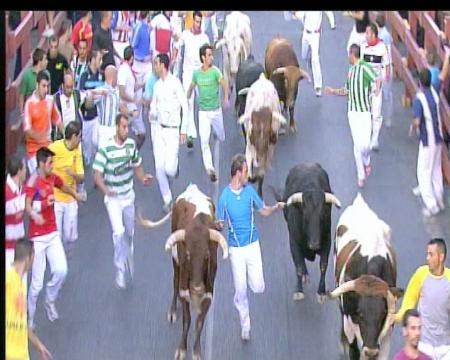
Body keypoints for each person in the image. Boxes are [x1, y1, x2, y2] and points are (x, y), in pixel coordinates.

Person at [216, 154, 284, 341]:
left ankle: (241, 297)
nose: (248, 175)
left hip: (253, 246)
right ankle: (245, 325)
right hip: (236, 250)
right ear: (238, 173)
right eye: (246, 171)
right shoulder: (224, 198)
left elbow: (263, 211)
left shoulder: (249, 192)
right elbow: (219, 224)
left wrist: (276, 208)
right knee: (241, 290)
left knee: (259, 287)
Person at [25, 147, 84, 328]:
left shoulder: (51, 177)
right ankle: (30, 320)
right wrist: (40, 208)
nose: (53, 166)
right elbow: (27, 205)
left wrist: (75, 194)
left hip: (51, 233)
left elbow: (63, 185)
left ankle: (50, 300)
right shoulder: (32, 182)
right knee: (36, 285)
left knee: (61, 270)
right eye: (50, 163)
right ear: (41, 164)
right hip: (37, 238)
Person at [93, 114, 153, 289]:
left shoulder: (131, 145)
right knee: (118, 234)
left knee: (128, 233)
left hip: (128, 196)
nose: (127, 130)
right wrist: (106, 191)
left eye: (128, 127)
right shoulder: (106, 148)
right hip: (113, 199)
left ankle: (129, 253)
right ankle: (119, 270)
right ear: (117, 127)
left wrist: (143, 179)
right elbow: (97, 176)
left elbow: (137, 167)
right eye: (124, 127)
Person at [325, 44, 379, 188]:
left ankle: (366, 160)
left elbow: (377, 79)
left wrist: (377, 91)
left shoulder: (364, 67)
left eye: (348, 54)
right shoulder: (350, 71)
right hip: (353, 112)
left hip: (365, 111)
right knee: (357, 144)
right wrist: (334, 91)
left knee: (365, 144)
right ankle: (360, 175)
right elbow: (347, 90)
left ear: (352, 55)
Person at [395, 238, 450, 359]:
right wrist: (393, 318)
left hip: (446, 348)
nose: (427, 258)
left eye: (431, 254)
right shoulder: (421, 274)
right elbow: (408, 304)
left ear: (441, 257)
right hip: (424, 346)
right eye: (427, 254)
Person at [149, 53, 187, 212]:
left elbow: (185, 106)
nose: (155, 67)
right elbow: (153, 106)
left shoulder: (175, 84)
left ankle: (175, 168)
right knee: (159, 167)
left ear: (163, 65)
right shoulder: (157, 86)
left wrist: (183, 130)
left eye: (156, 64)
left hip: (172, 130)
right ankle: (168, 199)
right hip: (159, 129)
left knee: (169, 168)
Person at [187, 44, 229, 182]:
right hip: (203, 113)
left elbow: (224, 84)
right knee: (204, 141)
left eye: (212, 55)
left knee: (221, 136)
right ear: (203, 58)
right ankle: (210, 168)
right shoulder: (196, 74)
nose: (212, 57)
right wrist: (185, 99)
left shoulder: (215, 72)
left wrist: (226, 98)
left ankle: (218, 135)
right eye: (209, 55)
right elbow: (191, 88)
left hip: (216, 112)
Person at [6, 238, 53, 360]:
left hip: (22, 354)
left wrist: (37, 344)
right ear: (28, 258)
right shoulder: (8, 279)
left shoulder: (20, 285)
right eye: (33, 256)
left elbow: (21, 323)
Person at [410, 68, 445, 217]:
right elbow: (442, 76)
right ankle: (439, 198)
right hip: (439, 138)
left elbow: (417, 121)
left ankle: (431, 205)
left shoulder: (420, 98)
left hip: (427, 141)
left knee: (423, 172)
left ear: (419, 81)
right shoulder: (435, 91)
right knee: (436, 170)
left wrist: (412, 127)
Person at [173, 11, 209, 148]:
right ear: (192, 21)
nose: (198, 24)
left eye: (200, 22)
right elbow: (177, 45)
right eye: (196, 21)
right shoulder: (186, 35)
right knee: (188, 102)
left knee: (203, 102)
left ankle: (204, 131)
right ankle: (190, 133)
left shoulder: (204, 38)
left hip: (200, 73)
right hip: (187, 73)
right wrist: (173, 58)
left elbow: (208, 56)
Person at [48, 122, 84, 260]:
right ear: (73, 136)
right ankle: (59, 260)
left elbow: (81, 178)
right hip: (56, 198)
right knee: (56, 234)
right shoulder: (54, 147)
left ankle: (65, 254)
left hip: (70, 198)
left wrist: (73, 174)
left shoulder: (77, 152)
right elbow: (44, 165)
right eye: (79, 137)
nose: (80, 140)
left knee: (71, 237)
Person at [23, 70, 64, 175]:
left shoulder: (50, 100)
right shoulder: (29, 104)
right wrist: (41, 138)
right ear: (37, 85)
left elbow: (58, 120)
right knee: (38, 181)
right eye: (43, 86)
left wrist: (66, 138)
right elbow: (27, 131)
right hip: (33, 151)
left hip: (48, 147)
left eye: (48, 86)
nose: (46, 90)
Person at [361, 22, 390, 151]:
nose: (365, 35)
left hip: (377, 84)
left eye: (367, 33)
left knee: (376, 112)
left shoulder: (382, 48)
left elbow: (387, 65)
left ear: (373, 34)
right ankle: (367, 136)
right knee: (365, 111)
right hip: (365, 83)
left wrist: (384, 80)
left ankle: (375, 139)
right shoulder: (363, 47)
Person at [117, 46, 146, 149]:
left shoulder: (128, 70)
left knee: (142, 133)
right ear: (132, 57)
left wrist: (141, 85)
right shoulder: (123, 70)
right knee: (124, 134)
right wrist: (133, 99)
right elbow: (122, 92)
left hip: (132, 106)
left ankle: (133, 152)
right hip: (126, 107)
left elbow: (131, 88)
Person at [79, 49, 104, 166]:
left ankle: (97, 175)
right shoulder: (84, 76)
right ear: (93, 59)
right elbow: (83, 97)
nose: (101, 61)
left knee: (97, 144)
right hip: (86, 119)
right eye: (99, 59)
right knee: (87, 153)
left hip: (97, 117)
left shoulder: (101, 76)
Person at [293, 11, 324, 97]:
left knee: (315, 59)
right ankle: (308, 58)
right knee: (304, 55)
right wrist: (295, 14)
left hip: (315, 35)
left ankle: (318, 87)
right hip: (306, 34)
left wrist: (333, 24)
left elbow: (329, 13)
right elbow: (299, 15)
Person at [97, 65, 128, 149]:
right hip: (104, 130)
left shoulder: (117, 92)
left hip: (115, 129)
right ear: (112, 76)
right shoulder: (100, 91)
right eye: (116, 76)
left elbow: (123, 110)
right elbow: (89, 102)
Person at [5, 156, 27, 276]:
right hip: (7, 250)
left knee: (20, 289)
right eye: (24, 169)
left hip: (20, 247)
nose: (26, 172)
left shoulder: (22, 189)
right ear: (19, 171)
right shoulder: (6, 191)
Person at [53, 73, 92, 140]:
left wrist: (89, 95)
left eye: (71, 87)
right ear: (62, 85)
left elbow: (88, 95)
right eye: (67, 87)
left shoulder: (77, 94)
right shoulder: (55, 99)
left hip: (76, 136)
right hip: (62, 137)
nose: (70, 90)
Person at [375, 14, 394, 127]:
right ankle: (386, 117)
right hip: (385, 66)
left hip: (384, 67)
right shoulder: (386, 33)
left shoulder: (382, 36)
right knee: (385, 93)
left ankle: (386, 117)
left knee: (385, 94)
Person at [18, 48, 48, 115]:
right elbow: (22, 95)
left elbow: (48, 93)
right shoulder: (27, 75)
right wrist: (22, 113)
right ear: (40, 62)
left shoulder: (47, 74)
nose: (47, 61)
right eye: (45, 59)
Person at [131, 11, 152, 83]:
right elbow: (133, 47)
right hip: (138, 64)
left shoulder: (148, 28)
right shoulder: (139, 27)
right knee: (138, 92)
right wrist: (142, 58)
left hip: (147, 64)